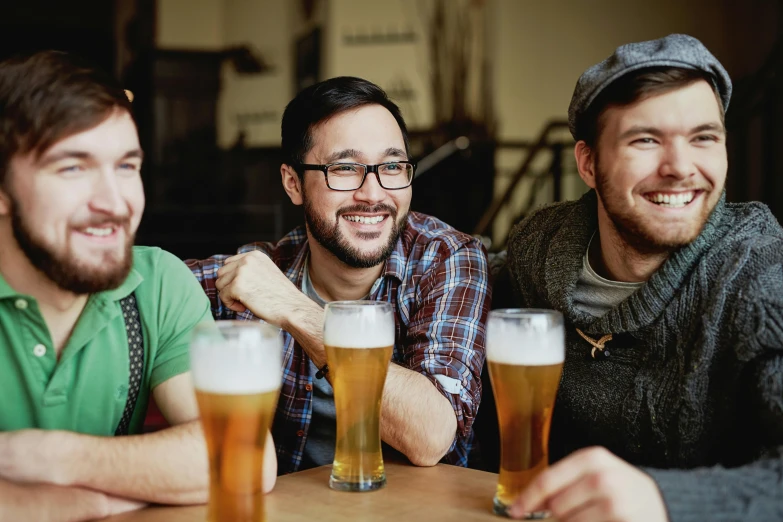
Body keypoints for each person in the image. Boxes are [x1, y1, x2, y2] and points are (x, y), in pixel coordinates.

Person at [504, 34, 783, 521]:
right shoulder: (540, 248)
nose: (680, 168)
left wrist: (667, 500)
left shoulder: (757, 273)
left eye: (703, 138)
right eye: (646, 140)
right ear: (588, 163)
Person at [0, 51, 276, 522]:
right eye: (73, 167)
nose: (115, 202)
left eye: (127, 167)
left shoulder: (158, 284)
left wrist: (52, 458)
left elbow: (245, 458)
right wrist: (100, 499)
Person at [188, 76, 490, 473]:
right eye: (345, 168)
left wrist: (297, 311)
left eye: (393, 166)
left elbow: (430, 435)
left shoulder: (445, 259)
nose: (374, 193)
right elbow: (145, 281)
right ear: (293, 183)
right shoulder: (262, 271)